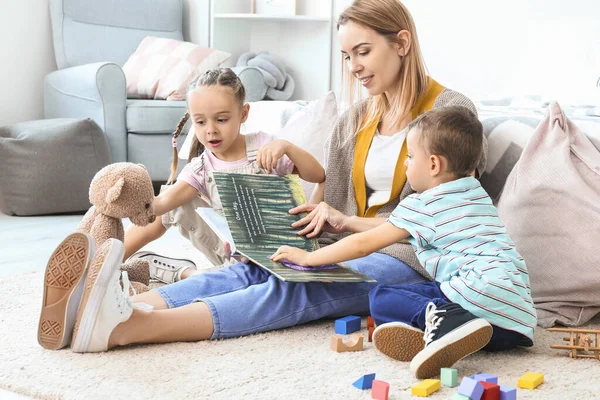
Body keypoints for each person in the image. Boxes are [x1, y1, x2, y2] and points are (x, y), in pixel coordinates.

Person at [39, 0, 489, 354]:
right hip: (343, 242)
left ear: (403, 43)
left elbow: (443, 214)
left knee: (293, 288)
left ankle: (130, 327)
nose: (353, 66)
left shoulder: (449, 113)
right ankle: (106, 308)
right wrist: (297, 222)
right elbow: (328, 197)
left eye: (363, 51)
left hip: (407, 258)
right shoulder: (356, 118)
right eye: (347, 55)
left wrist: (338, 230)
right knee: (249, 270)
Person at [272, 106, 536, 378]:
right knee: (431, 289)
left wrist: (307, 258)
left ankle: (444, 322)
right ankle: (448, 332)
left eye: (410, 157)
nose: (406, 163)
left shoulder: (422, 204)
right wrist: (347, 221)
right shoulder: (476, 196)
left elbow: (363, 245)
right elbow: (393, 227)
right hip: (514, 323)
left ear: (433, 165)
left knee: (382, 298)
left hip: (476, 299)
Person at [122, 68, 325, 284]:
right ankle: (109, 261)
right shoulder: (201, 167)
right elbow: (162, 204)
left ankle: (183, 273)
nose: (210, 130)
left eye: (221, 119)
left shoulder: (264, 147)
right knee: (177, 201)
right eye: (200, 122)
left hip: (282, 248)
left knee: (235, 284)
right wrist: (126, 204)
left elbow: (318, 175)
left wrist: (287, 147)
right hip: (234, 253)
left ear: (243, 114)